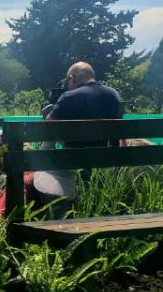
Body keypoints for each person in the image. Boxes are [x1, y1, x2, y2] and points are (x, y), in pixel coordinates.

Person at [31, 62, 124, 217]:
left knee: (42, 171)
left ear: (72, 78)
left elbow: (48, 128)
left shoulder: (69, 97)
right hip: (103, 165)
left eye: (68, 82)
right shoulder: (114, 95)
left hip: (71, 165)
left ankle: (60, 213)